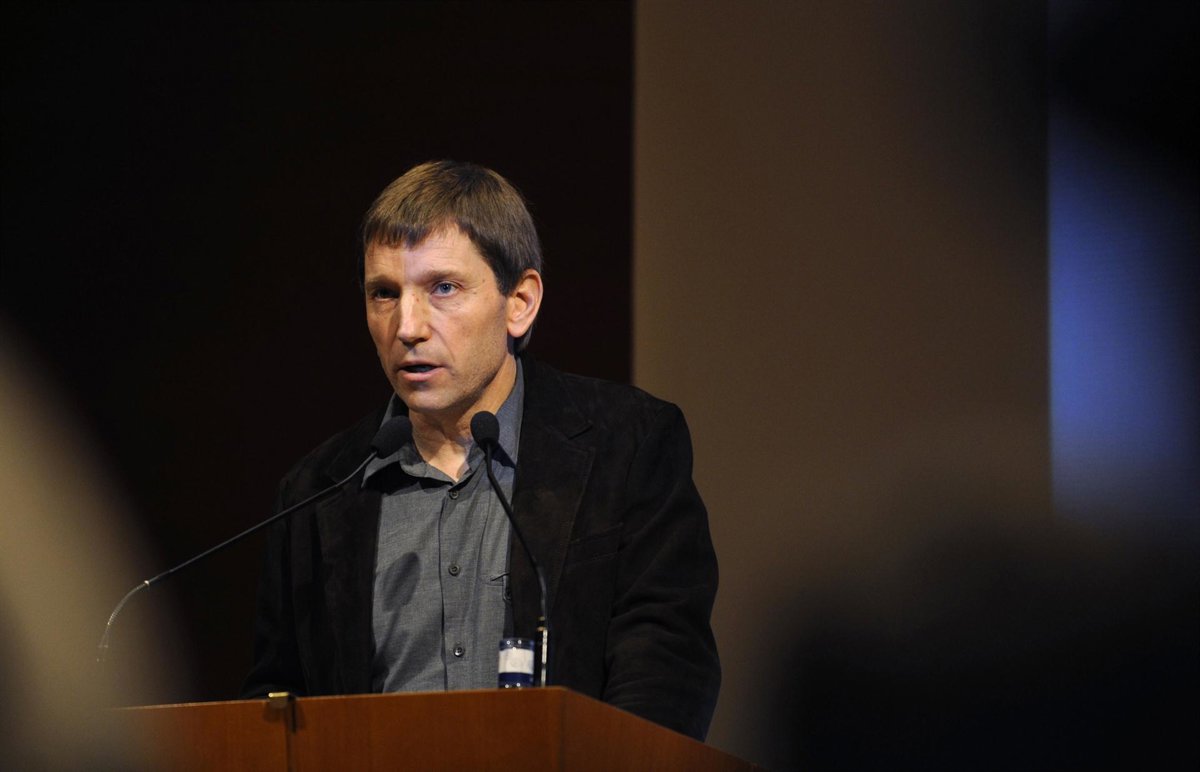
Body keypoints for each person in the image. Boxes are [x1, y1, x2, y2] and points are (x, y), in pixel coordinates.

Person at [242, 160, 720, 740]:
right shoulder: (317, 493)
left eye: (443, 288)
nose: (407, 327)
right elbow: (278, 707)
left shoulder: (628, 445)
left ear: (520, 301)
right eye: (384, 293)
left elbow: (666, 669)